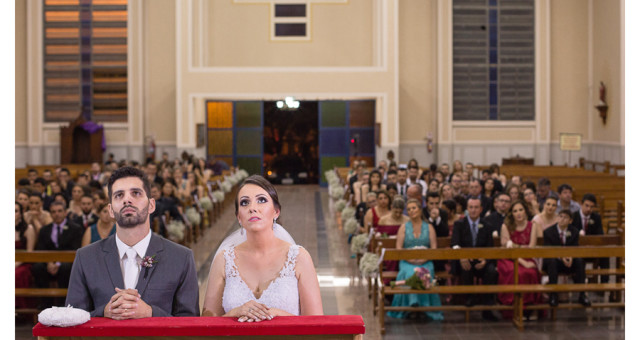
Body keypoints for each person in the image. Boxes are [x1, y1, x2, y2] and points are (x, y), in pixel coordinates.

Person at [66, 167, 200, 318]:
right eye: (119, 195)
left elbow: (190, 323)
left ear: (151, 205)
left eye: (136, 193)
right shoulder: (86, 258)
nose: (127, 199)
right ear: (110, 210)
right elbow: (72, 318)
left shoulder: (181, 258)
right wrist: (104, 313)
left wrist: (151, 313)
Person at [202, 175, 323, 320]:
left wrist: (276, 314)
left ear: (276, 212)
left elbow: (316, 324)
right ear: (239, 217)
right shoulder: (224, 259)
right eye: (245, 202)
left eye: (261, 200)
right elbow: (207, 322)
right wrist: (234, 313)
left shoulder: (299, 258)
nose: (253, 208)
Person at [387, 199, 443, 320]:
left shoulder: (429, 227)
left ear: (420, 209)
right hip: (407, 260)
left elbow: (434, 248)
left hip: (426, 260)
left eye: (414, 208)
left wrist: (424, 259)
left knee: (424, 271)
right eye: (409, 209)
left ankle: (424, 306)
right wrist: (410, 259)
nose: (411, 211)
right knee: (410, 272)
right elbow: (399, 248)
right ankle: (411, 304)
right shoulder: (403, 227)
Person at [451, 197, 499, 321]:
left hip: (480, 260)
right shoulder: (459, 224)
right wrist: (461, 257)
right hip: (464, 259)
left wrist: (485, 260)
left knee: (492, 270)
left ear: (481, 209)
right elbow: (455, 244)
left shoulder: (487, 225)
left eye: (476, 207)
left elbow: (490, 247)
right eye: (471, 207)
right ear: (467, 209)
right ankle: (469, 298)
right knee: (466, 267)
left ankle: (487, 306)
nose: (473, 210)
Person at [32, 201, 84, 308]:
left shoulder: (75, 229)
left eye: (60, 211)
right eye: (53, 212)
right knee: (37, 267)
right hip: (48, 262)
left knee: (66, 267)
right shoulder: (44, 230)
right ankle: (45, 303)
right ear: (50, 214)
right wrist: (49, 263)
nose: (57, 214)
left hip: (66, 263)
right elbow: (40, 249)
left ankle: (63, 303)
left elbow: (75, 249)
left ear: (65, 212)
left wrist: (58, 263)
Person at [497, 201, 541, 318]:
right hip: (509, 258)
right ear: (511, 214)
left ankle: (531, 309)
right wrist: (523, 262)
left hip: (527, 256)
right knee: (517, 272)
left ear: (525, 211)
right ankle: (515, 309)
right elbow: (508, 249)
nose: (518, 213)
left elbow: (531, 247)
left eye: (521, 210)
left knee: (530, 272)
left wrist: (517, 247)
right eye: (515, 211)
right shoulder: (505, 226)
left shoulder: (533, 225)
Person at [543, 209, 591, 307]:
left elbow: (575, 247)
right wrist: (561, 257)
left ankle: (582, 294)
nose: (562, 219)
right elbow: (549, 250)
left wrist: (571, 257)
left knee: (580, 260)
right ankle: (553, 295)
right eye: (560, 216)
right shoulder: (548, 232)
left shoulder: (574, 231)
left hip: (569, 261)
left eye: (565, 217)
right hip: (554, 261)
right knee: (551, 261)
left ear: (570, 221)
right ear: (557, 218)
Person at [570, 193, 608, 283]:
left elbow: (600, 235)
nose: (589, 209)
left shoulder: (596, 217)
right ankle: (579, 284)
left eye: (591, 207)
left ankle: (604, 284)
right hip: (578, 250)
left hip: (592, 249)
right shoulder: (573, 217)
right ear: (581, 204)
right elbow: (570, 235)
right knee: (578, 259)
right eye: (586, 206)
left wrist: (591, 244)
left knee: (605, 256)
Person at [16, 202, 37, 310]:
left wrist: (16, 264)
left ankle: (20, 309)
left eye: (15, 211)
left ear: (21, 213)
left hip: (24, 262)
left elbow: (29, 252)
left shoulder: (28, 228)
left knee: (17, 274)